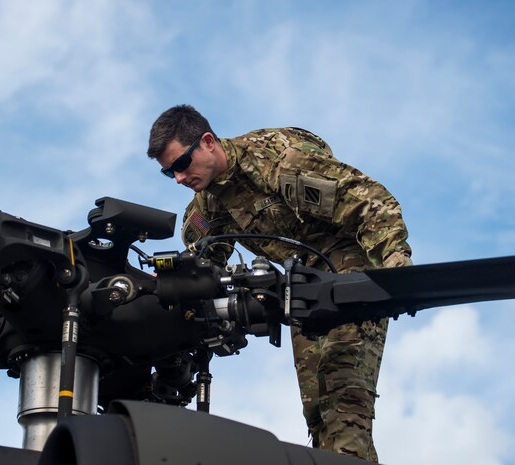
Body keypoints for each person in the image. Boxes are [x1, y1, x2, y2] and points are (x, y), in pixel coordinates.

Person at [146, 104, 412, 462]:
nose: (178, 178)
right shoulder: (209, 204)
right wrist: (160, 292)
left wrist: (397, 269)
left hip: (349, 263)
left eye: (181, 164)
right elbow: (201, 267)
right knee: (317, 410)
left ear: (207, 142)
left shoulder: (277, 161)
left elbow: (373, 202)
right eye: (168, 174)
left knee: (343, 394)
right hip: (302, 282)